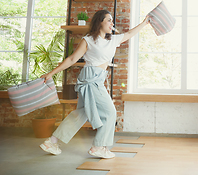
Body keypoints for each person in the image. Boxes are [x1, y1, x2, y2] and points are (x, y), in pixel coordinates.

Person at [40, 10, 149, 159]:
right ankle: (98, 146)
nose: (112, 23)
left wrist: (145, 23)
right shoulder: (88, 40)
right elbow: (72, 59)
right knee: (110, 112)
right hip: (90, 80)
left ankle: (51, 142)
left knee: (81, 114)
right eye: (109, 20)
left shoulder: (113, 40)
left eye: (112, 21)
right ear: (100, 22)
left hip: (98, 79)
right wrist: (51, 73)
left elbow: (129, 34)